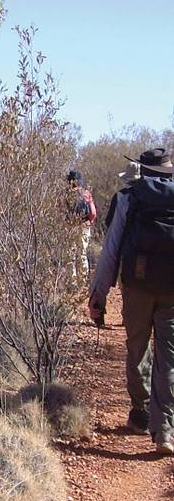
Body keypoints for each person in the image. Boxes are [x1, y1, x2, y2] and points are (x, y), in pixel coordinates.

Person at [89, 147, 174, 453]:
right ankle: (165, 429)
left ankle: (140, 414)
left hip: (136, 286)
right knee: (169, 356)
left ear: (142, 170)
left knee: (137, 347)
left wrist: (98, 295)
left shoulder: (128, 197)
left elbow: (111, 248)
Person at [66, 169, 97, 282]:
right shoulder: (86, 193)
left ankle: (72, 281)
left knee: (70, 255)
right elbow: (93, 213)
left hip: (69, 227)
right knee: (82, 253)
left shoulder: (65, 194)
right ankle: (83, 281)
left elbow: (60, 211)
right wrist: (89, 222)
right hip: (84, 226)